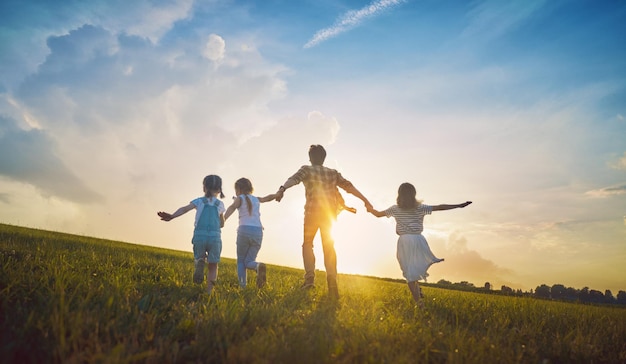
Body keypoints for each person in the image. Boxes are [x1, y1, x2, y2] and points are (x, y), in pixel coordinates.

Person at [275, 144, 373, 299]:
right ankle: (332, 279)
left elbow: (293, 179)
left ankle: (309, 280)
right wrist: (365, 200)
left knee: (308, 244)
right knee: (329, 247)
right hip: (328, 215)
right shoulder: (333, 173)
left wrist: (281, 189)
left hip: (312, 214)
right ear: (324, 158)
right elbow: (349, 186)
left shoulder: (306, 169)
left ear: (310, 158)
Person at [366, 182, 471, 307]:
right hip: (419, 240)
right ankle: (418, 291)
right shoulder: (420, 208)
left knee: (409, 273)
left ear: (399, 195)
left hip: (404, 241)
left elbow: (377, 214)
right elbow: (439, 207)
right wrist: (458, 205)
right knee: (413, 269)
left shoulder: (395, 209)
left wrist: (369, 208)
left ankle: (419, 303)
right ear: (414, 194)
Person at [157, 175, 226, 294]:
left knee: (199, 257)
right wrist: (220, 222)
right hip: (215, 237)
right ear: (219, 190)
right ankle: (209, 291)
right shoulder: (220, 204)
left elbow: (184, 209)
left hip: (200, 235)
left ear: (204, 188)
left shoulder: (199, 201)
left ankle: (200, 261)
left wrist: (172, 216)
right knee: (213, 265)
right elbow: (222, 223)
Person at [224, 177, 280, 288]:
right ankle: (258, 266)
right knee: (249, 261)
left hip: (244, 230)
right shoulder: (256, 199)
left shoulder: (239, 198)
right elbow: (267, 198)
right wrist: (276, 195)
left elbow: (232, 207)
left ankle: (242, 287)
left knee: (241, 261)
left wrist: (223, 219)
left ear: (239, 189)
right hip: (258, 232)